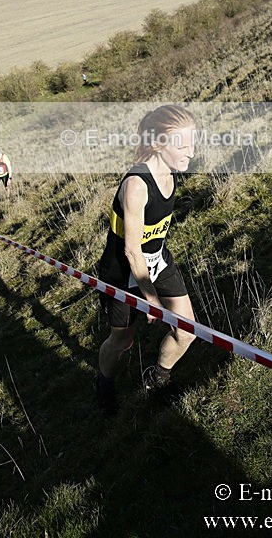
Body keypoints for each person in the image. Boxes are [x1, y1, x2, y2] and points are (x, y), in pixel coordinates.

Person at [95, 104, 197, 416]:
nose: (190, 153)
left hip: (157, 260)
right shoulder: (137, 184)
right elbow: (131, 251)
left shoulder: (170, 174)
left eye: (193, 143)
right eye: (181, 145)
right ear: (157, 143)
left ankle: (158, 377)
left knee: (187, 331)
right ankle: (104, 383)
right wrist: (151, 298)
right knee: (122, 340)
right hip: (123, 271)